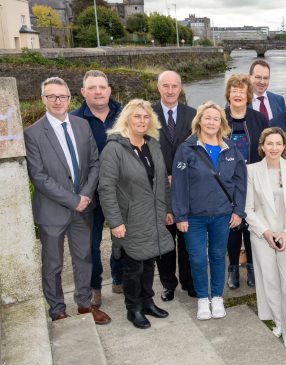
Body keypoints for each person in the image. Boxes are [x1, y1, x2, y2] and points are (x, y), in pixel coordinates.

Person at [24, 76, 111, 325]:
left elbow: (95, 163)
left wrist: (84, 195)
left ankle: (85, 304)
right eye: (51, 96)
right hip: (52, 210)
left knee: (84, 257)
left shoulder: (82, 125)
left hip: (83, 207)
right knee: (52, 264)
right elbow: (39, 177)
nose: (57, 101)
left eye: (62, 96)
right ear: (43, 99)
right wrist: (72, 200)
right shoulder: (33, 134)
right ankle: (57, 310)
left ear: (70, 98)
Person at [98, 99, 174, 329]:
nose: (142, 121)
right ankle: (134, 309)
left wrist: (168, 209)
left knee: (149, 261)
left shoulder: (152, 145)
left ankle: (148, 301)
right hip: (129, 219)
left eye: (146, 117)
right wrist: (115, 222)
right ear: (127, 119)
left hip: (153, 215)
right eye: (137, 116)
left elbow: (162, 182)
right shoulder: (114, 149)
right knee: (134, 267)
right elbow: (106, 188)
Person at [172, 102, 247, 320]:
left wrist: (238, 211)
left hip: (222, 215)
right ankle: (203, 299)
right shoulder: (187, 149)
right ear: (199, 121)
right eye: (207, 118)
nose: (211, 122)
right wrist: (180, 215)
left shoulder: (230, 149)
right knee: (196, 258)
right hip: (194, 217)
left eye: (216, 118)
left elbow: (241, 183)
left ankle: (217, 297)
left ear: (222, 123)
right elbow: (178, 184)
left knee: (217, 256)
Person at [245, 127, 286, 354]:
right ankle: (279, 323)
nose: (273, 148)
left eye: (278, 143)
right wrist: (266, 232)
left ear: (284, 146)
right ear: (262, 146)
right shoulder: (251, 170)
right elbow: (248, 209)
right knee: (269, 282)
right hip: (262, 236)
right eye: (269, 143)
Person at [70, 70, 124, 307]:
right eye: (92, 88)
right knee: (90, 243)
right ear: (83, 92)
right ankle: (94, 286)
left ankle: (120, 277)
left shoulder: (124, 114)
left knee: (121, 237)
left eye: (102, 87)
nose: (98, 92)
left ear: (109, 90)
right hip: (88, 192)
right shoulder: (74, 120)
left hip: (120, 189)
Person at [152, 70, 197, 301]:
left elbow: (198, 150)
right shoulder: (148, 114)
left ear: (180, 88)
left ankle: (190, 282)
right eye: (165, 86)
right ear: (158, 87)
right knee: (165, 238)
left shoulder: (193, 114)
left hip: (187, 186)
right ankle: (168, 283)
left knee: (187, 237)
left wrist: (181, 174)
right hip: (158, 188)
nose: (170, 91)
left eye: (175, 86)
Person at [224, 74, 269, 289]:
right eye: (234, 91)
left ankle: (251, 267)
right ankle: (233, 268)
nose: (238, 94)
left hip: (254, 180)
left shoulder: (258, 119)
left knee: (251, 226)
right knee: (233, 226)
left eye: (242, 91)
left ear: (248, 95)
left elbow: (266, 148)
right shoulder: (221, 117)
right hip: (227, 183)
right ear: (228, 94)